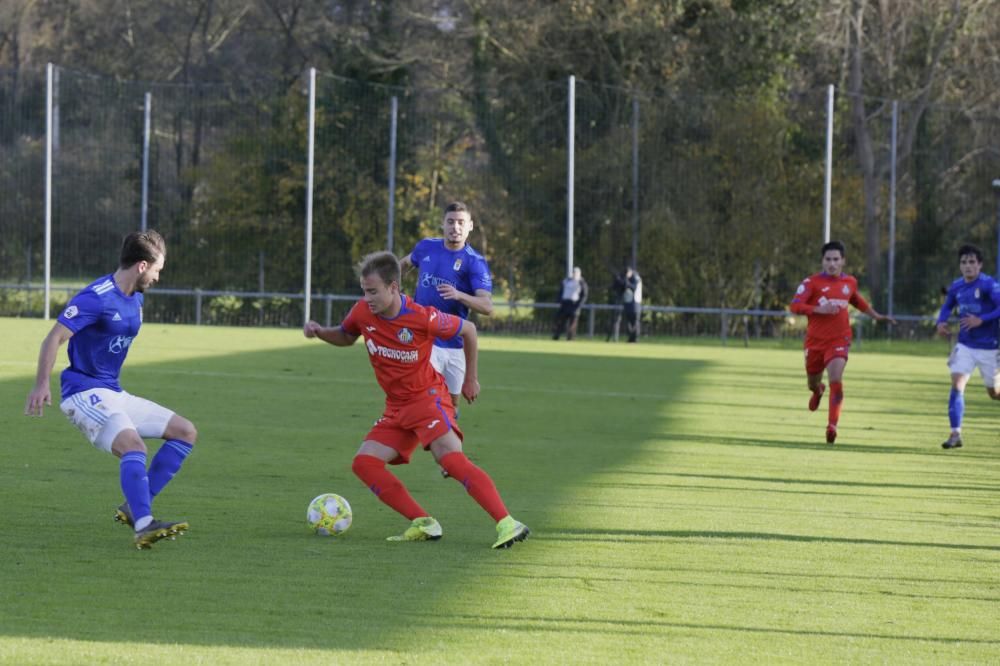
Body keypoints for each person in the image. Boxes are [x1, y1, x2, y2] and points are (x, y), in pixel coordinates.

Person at [303, 250, 529, 549]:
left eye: (373, 291)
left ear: (393, 287)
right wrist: (320, 332)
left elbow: (470, 331)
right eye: (364, 291)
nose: (367, 298)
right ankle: (424, 522)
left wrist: (470, 379)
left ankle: (507, 523)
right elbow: (346, 335)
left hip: (427, 400)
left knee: (450, 459)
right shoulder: (362, 312)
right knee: (365, 463)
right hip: (396, 407)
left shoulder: (422, 317)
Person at [24, 230, 196, 549]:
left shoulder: (136, 298)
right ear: (142, 266)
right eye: (158, 269)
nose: (159, 276)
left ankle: (134, 506)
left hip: (113, 392)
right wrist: (41, 384)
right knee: (134, 447)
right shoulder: (96, 297)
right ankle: (144, 525)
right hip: (82, 393)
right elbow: (53, 338)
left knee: (185, 432)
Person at [789, 240, 895, 443]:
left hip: (840, 339)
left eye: (836, 259)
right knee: (813, 382)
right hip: (815, 343)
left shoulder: (850, 282)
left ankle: (832, 426)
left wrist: (876, 315)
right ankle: (818, 390)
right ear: (822, 261)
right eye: (828, 259)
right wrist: (818, 309)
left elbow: (856, 300)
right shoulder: (811, 283)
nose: (832, 263)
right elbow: (795, 306)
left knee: (836, 378)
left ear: (843, 261)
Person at [400, 201, 493, 410]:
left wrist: (459, 295)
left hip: (454, 344)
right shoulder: (426, 247)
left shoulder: (474, 262)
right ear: (443, 224)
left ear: (470, 226)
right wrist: (392, 285)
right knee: (429, 402)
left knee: (451, 407)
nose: (455, 227)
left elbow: (487, 306)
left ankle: (446, 440)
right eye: (450, 222)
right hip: (424, 339)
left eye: (461, 222)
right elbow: (404, 264)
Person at [935, 244, 1000, 450]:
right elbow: (947, 306)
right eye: (964, 262)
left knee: (994, 393)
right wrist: (941, 322)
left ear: (979, 265)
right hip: (966, 345)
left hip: (991, 348)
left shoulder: (989, 285)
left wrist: (982, 319)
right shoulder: (956, 286)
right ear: (960, 266)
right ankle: (955, 434)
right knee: (957, 383)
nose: (968, 266)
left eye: (972, 262)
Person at [552, 266, 588, 340]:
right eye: (573, 272)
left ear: (579, 273)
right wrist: (559, 300)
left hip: (574, 304)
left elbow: (584, 295)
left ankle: (570, 338)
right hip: (565, 304)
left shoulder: (582, 282)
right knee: (559, 321)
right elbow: (561, 291)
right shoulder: (566, 281)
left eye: (576, 272)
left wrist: (579, 305)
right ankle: (556, 337)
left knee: (572, 323)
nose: (574, 274)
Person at [622, 267, 642, 343]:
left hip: (635, 303)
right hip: (628, 303)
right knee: (629, 322)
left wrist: (627, 283)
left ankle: (635, 338)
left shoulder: (636, 278)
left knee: (635, 322)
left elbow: (634, 287)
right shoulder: (630, 278)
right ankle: (631, 338)